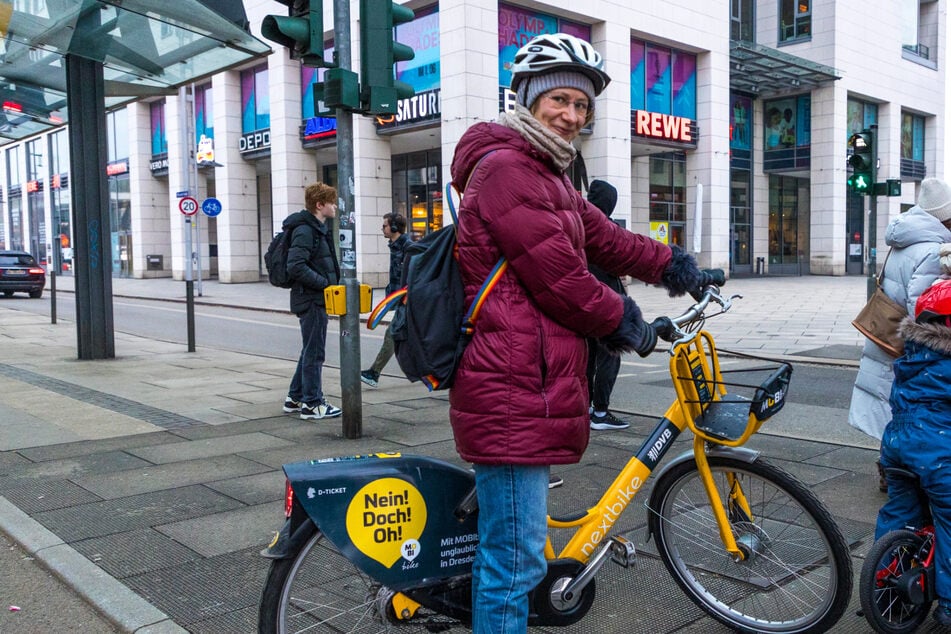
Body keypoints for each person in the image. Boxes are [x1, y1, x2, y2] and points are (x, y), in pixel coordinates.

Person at [448, 33, 718, 633]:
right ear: (526, 98)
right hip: (514, 385)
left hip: (531, 377)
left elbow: (606, 238)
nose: (572, 115)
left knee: (515, 547)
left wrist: (677, 267)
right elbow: (564, 283)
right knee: (513, 564)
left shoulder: (549, 173)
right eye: (561, 101)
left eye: (582, 105)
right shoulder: (506, 171)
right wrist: (630, 325)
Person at [848, 178, 951, 488]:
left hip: (884, 334)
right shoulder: (934, 249)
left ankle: (889, 468)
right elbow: (924, 307)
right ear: (943, 216)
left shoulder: (903, 238)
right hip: (905, 343)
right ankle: (899, 476)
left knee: (890, 405)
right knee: (905, 408)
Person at [874, 279, 951, 626]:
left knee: (899, 512)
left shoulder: (913, 355)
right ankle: (949, 604)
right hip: (935, 449)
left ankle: (884, 589)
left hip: (896, 444)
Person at [281, 182, 342, 420]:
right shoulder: (306, 230)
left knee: (309, 349)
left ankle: (295, 397)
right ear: (319, 205)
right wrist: (324, 283)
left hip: (312, 298)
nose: (335, 206)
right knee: (315, 352)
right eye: (331, 202)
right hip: (312, 299)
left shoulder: (313, 228)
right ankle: (312, 404)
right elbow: (295, 265)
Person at [585, 179, 629, 431]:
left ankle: (588, 407)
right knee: (610, 357)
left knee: (587, 360)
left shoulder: (577, 227)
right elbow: (621, 262)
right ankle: (600, 412)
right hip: (607, 303)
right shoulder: (607, 230)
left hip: (584, 303)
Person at [361, 213, 410, 388]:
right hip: (400, 299)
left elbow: (415, 273)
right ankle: (430, 372)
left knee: (392, 334)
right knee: (410, 337)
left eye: (384, 226)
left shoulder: (407, 246)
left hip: (407, 300)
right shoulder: (395, 245)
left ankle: (374, 373)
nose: (382, 228)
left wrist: (405, 295)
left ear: (395, 228)